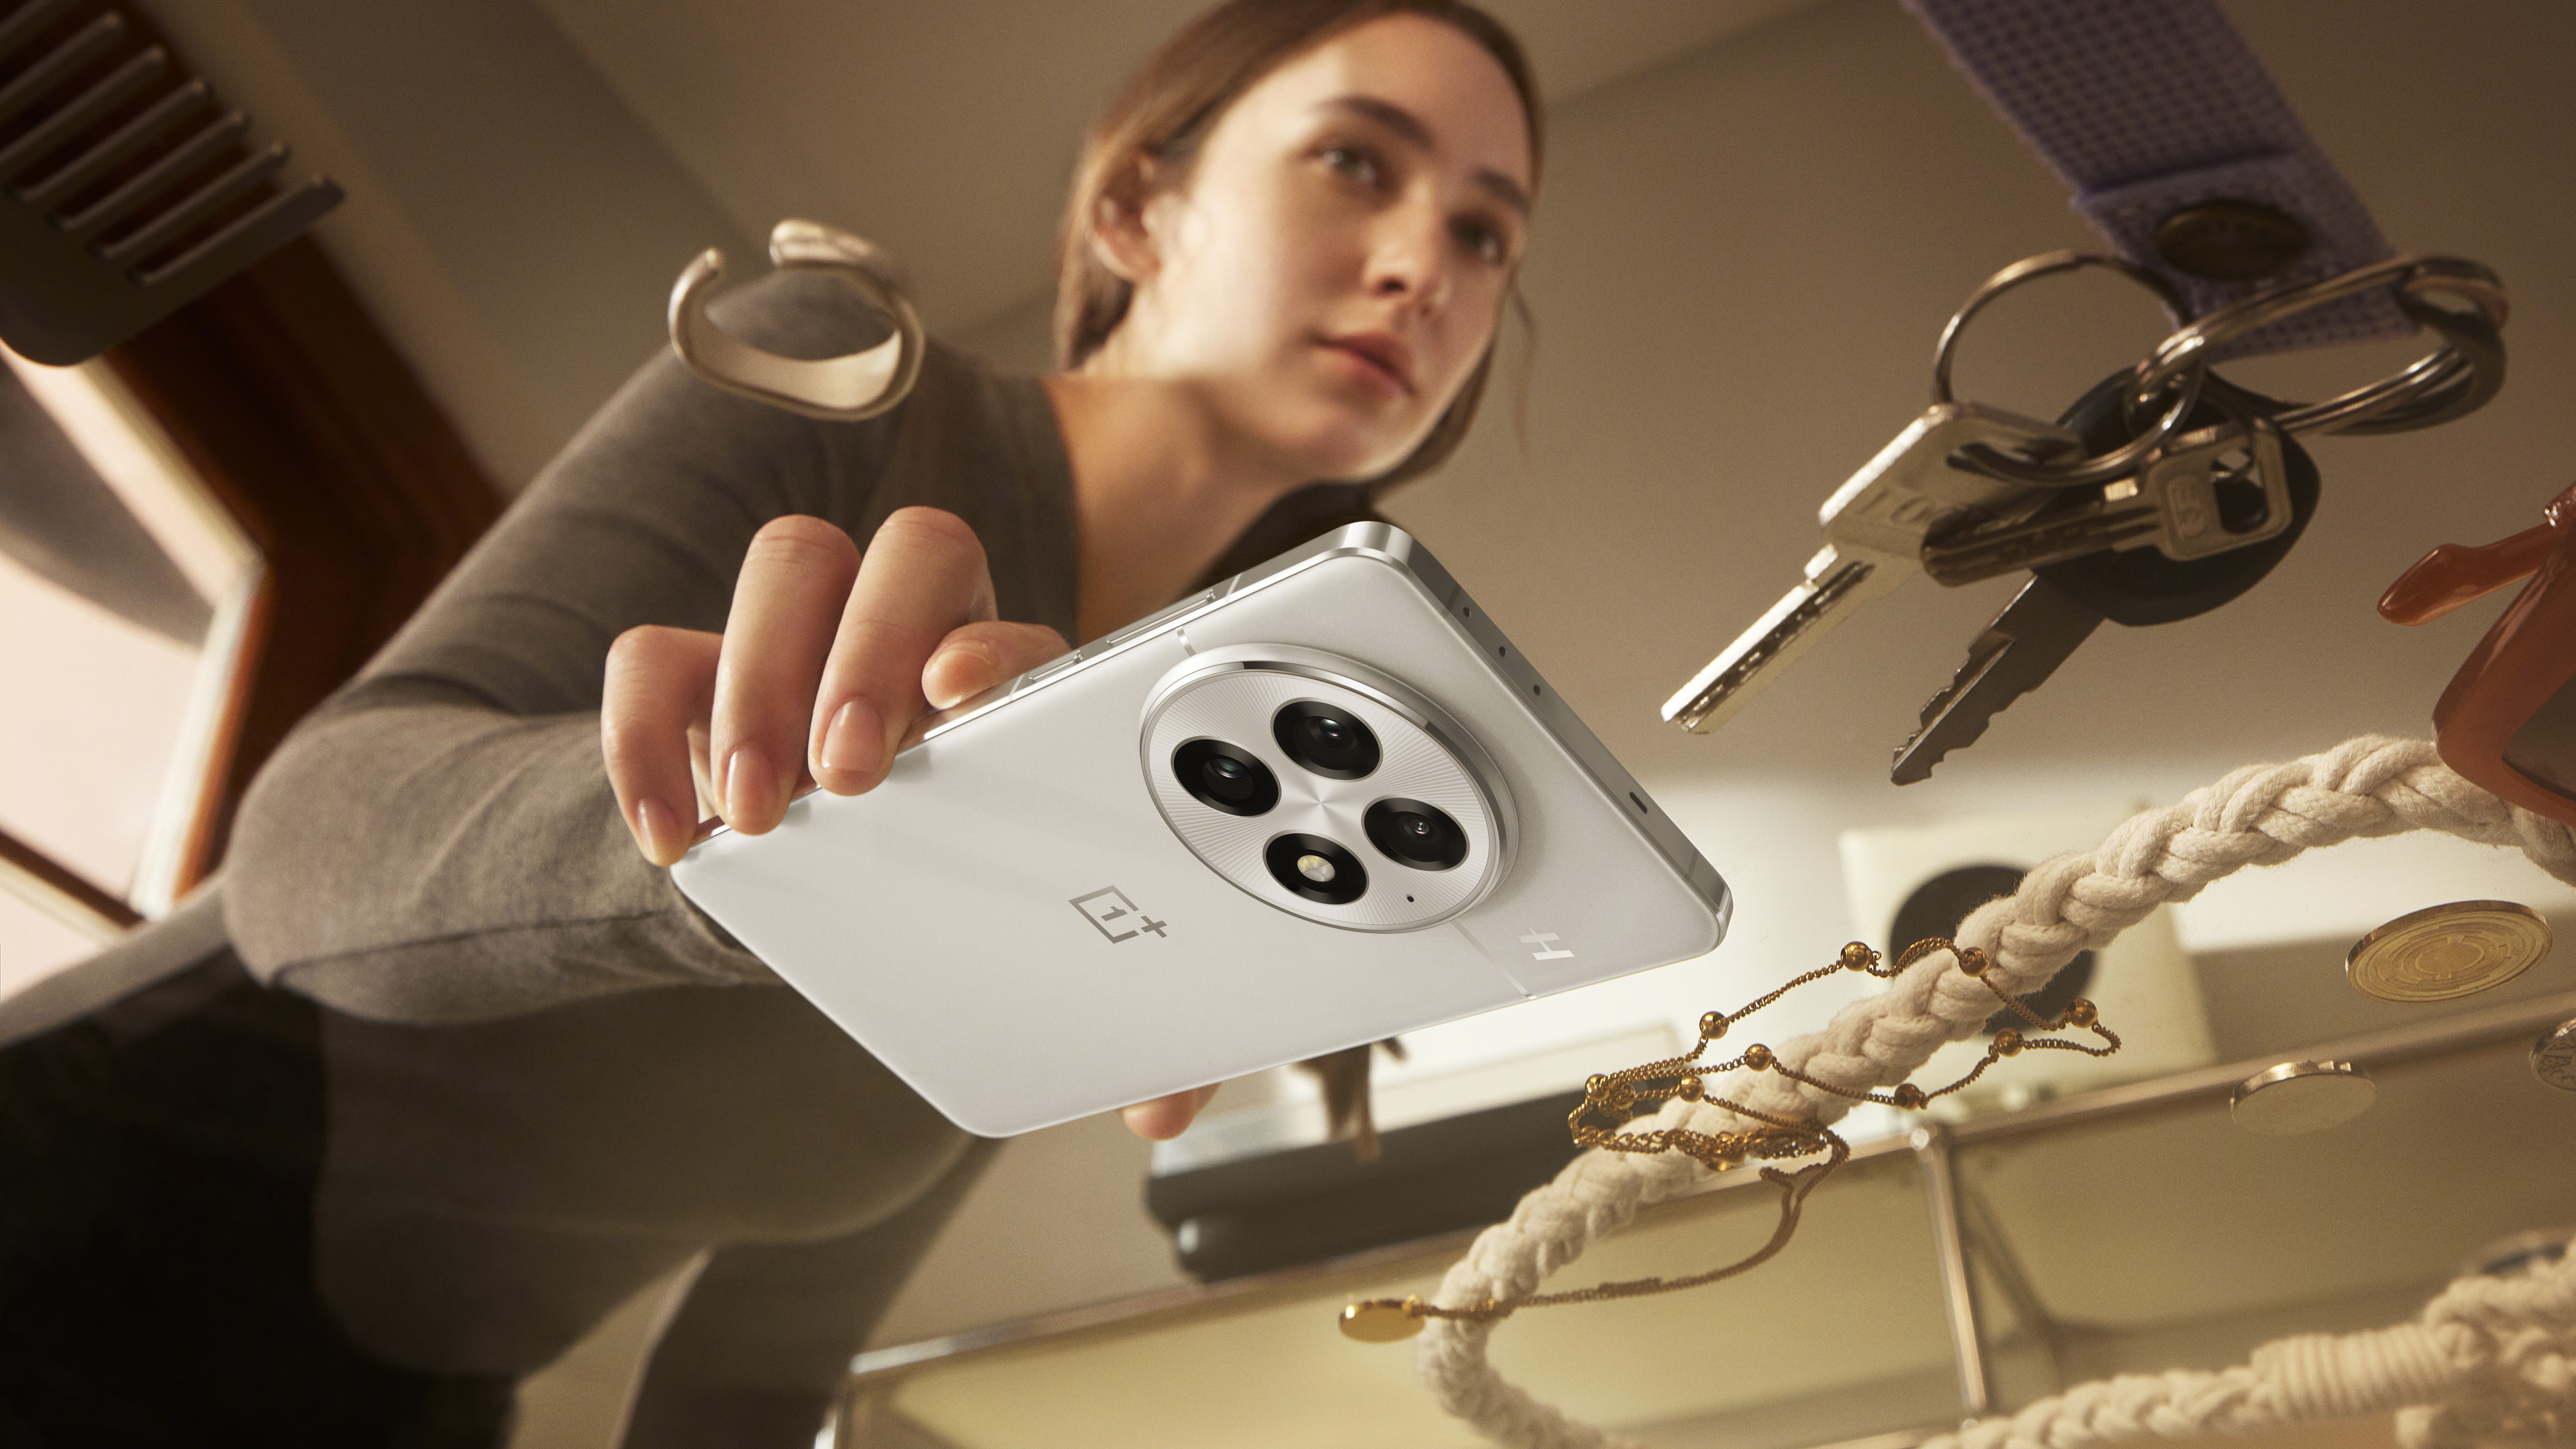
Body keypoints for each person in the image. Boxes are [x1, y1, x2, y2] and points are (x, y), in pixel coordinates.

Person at [0, 2, 1541, 1444]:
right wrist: (769, 858)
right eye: (1356, 162)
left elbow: (765, 1356)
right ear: (1140, 210)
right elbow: (311, 845)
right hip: (72, 1195)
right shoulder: (841, 374)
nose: (1427, 264)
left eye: (1486, 232)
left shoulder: (1175, 779)